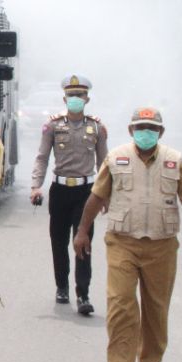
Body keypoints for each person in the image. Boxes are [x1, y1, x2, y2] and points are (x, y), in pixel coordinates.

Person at [73, 107, 182, 362]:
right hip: (123, 242)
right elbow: (97, 197)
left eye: (152, 128)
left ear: (161, 132)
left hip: (162, 244)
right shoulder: (116, 157)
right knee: (121, 302)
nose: (147, 132)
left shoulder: (174, 160)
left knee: (156, 307)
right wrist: (82, 231)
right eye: (141, 127)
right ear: (132, 130)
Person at [30, 74, 109, 315]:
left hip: (87, 191)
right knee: (59, 240)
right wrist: (36, 185)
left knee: (83, 240)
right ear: (64, 97)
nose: (76, 99)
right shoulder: (53, 126)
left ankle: (83, 293)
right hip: (60, 189)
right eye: (72, 95)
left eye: (80, 95)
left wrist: (106, 194)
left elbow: (104, 162)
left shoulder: (96, 127)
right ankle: (62, 287)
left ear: (87, 98)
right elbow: (42, 157)